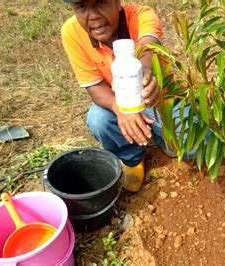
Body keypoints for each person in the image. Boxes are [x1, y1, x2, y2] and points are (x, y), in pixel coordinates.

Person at [61, 0, 182, 192]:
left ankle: (165, 140)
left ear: (117, 3)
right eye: (82, 7)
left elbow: (148, 46)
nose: (92, 16)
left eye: (100, 3)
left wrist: (144, 71)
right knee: (98, 118)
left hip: (161, 101)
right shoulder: (72, 32)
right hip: (120, 103)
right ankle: (131, 157)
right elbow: (95, 87)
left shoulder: (142, 16)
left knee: (190, 148)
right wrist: (120, 109)